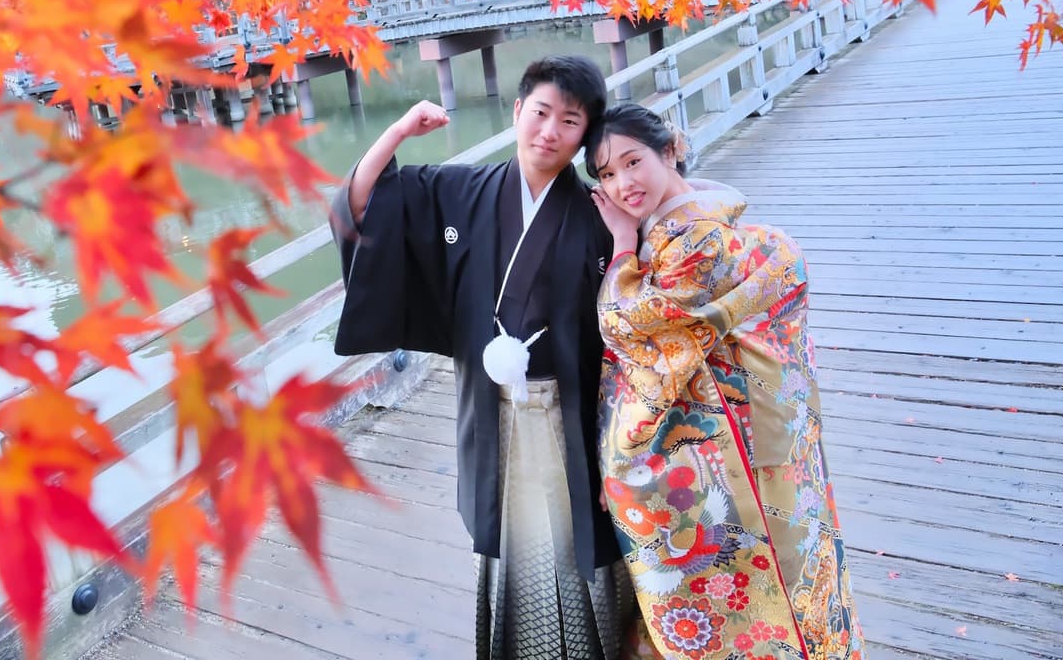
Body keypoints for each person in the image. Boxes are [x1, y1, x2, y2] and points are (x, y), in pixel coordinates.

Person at [330, 56, 629, 660]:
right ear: (517, 111)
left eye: (568, 122)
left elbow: (639, 303)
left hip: (573, 412)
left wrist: (627, 238)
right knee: (512, 543)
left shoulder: (600, 212)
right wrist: (398, 132)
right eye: (540, 113)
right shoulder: (459, 190)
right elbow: (361, 207)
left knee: (580, 542)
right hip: (495, 412)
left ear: (584, 133)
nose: (549, 131)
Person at [586, 104, 863, 660]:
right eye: (607, 175)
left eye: (633, 161)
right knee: (778, 572)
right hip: (752, 427)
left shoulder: (698, 243)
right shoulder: (698, 230)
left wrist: (619, 247)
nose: (623, 185)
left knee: (751, 586)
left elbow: (627, 323)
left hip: (731, 443)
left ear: (669, 150)